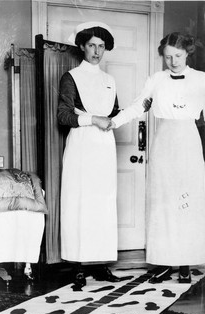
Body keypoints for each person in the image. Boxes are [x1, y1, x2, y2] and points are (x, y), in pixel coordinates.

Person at [109, 32, 205, 283]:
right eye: (168, 57)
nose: (173, 61)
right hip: (163, 143)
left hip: (188, 144)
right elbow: (137, 105)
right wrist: (113, 122)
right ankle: (163, 262)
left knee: (185, 204)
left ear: (188, 54)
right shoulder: (156, 80)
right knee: (161, 204)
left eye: (178, 56)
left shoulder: (202, 80)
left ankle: (184, 263)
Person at [57, 21, 121, 288]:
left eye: (102, 46)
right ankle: (78, 266)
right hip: (82, 146)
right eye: (92, 45)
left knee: (102, 205)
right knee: (80, 204)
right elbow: (63, 115)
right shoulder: (72, 77)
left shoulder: (109, 80)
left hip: (105, 147)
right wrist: (93, 119)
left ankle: (101, 264)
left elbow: (115, 113)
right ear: (82, 46)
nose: (97, 51)